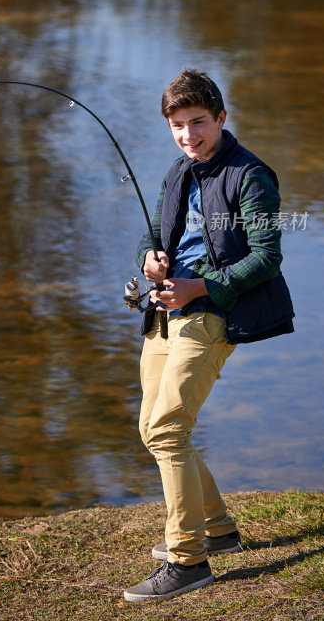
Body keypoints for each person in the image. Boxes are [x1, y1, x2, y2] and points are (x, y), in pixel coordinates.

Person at [123, 69, 294, 603]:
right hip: (164, 311)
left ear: (221, 118)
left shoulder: (250, 175)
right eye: (178, 125)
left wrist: (200, 286)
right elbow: (154, 234)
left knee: (169, 427)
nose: (188, 134)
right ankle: (219, 531)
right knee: (155, 428)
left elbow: (267, 257)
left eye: (198, 122)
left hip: (215, 312)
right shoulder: (178, 170)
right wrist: (148, 260)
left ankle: (188, 561)